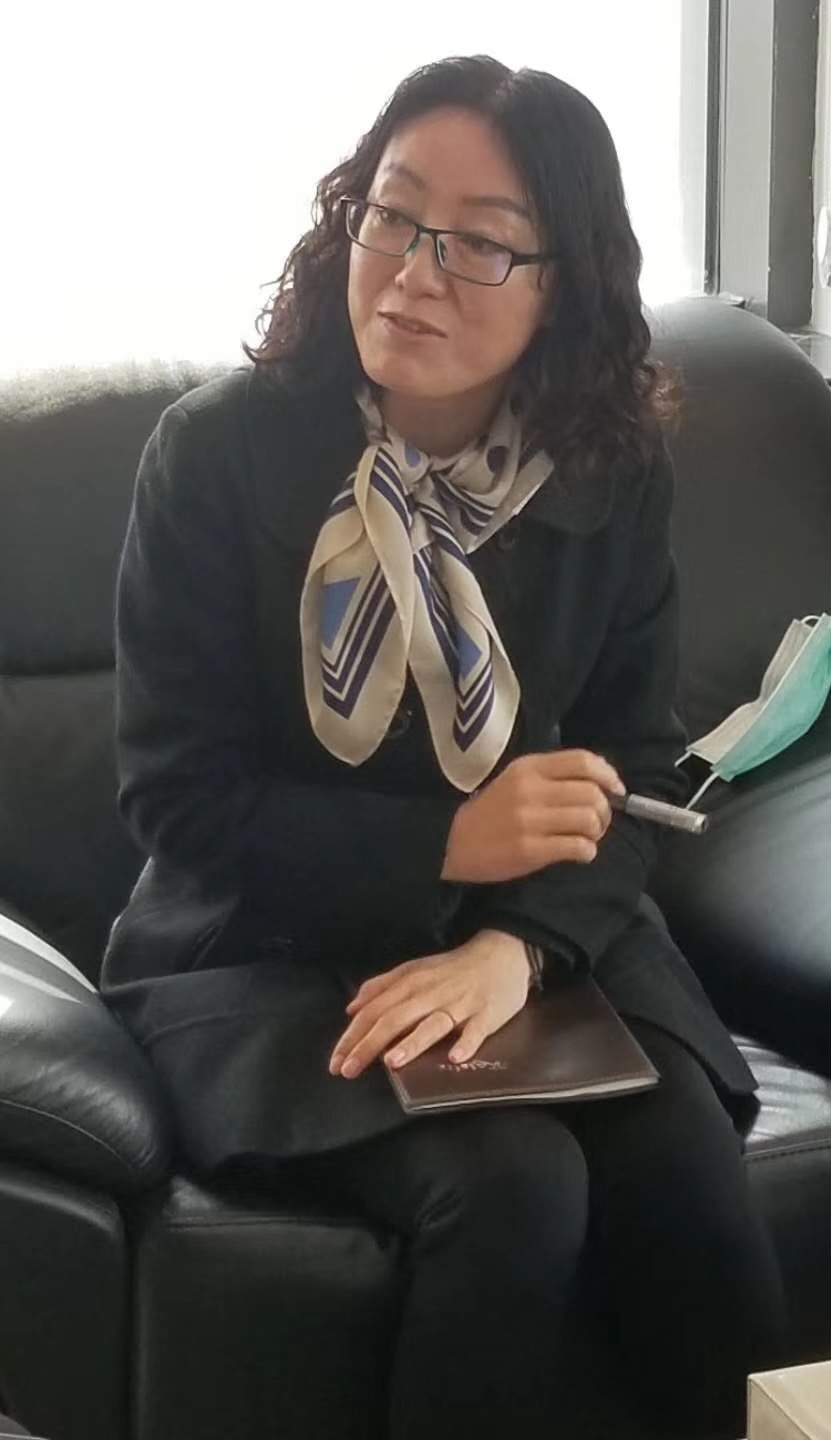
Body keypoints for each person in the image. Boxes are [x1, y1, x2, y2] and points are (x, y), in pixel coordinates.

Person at [101, 54, 787, 1440]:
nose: (414, 272)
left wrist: (516, 945)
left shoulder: (609, 466)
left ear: (563, 286)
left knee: (690, 1184)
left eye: (480, 243)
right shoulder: (216, 455)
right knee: (514, 1182)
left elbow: (633, 768)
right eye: (393, 214)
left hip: (529, 932)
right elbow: (177, 799)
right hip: (266, 940)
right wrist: (444, 845)